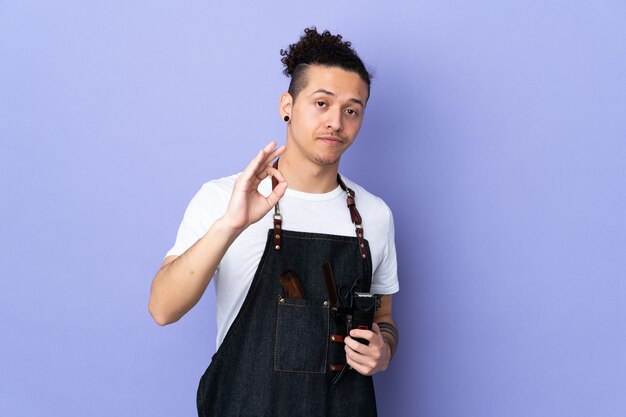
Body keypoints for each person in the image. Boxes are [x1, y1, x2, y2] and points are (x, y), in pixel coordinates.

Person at [149, 27, 399, 417]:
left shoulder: (374, 215)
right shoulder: (223, 197)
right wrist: (230, 225)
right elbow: (163, 309)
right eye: (321, 103)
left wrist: (383, 349)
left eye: (352, 109)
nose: (336, 122)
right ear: (287, 104)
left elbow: (384, 319)